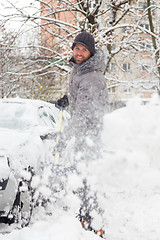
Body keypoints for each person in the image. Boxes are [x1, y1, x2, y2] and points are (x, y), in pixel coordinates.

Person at [55, 31, 108, 160]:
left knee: (85, 174)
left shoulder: (91, 77)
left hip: (91, 137)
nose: (79, 53)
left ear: (91, 52)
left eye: (84, 49)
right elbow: (81, 93)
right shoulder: (80, 70)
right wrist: (68, 98)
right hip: (84, 135)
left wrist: (63, 140)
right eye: (77, 48)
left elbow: (81, 116)